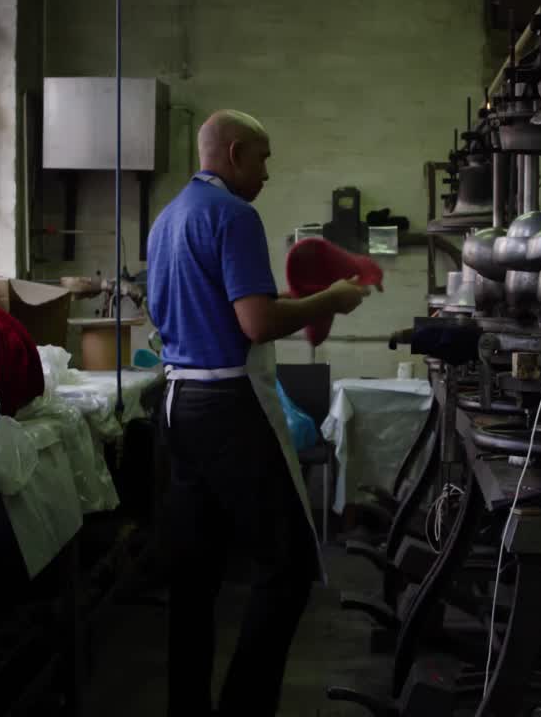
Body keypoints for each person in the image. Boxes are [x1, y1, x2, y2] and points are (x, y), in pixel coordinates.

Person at [146, 109, 372, 716]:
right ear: (235, 152)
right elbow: (256, 323)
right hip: (227, 403)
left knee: (196, 577)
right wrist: (331, 299)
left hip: (178, 404)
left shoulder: (167, 220)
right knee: (290, 565)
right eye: (264, 158)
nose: (269, 172)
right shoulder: (233, 216)